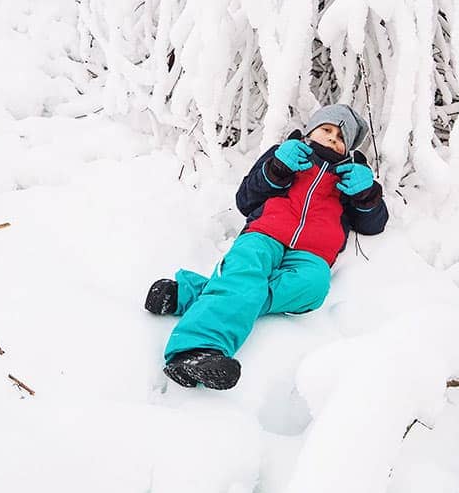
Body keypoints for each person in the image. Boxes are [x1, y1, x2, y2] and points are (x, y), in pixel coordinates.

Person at [144, 104, 389, 389]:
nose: (333, 139)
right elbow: (245, 200)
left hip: (312, 255)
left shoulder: (353, 178)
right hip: (264, 235)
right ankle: (195, 349)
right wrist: (276, 168)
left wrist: (367, 194)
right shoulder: (286, 155)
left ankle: (189, 294)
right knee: (247, 271)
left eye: (340, 137)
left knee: (313, 287)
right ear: (311, 129)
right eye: (327, 130)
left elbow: (373, 225)